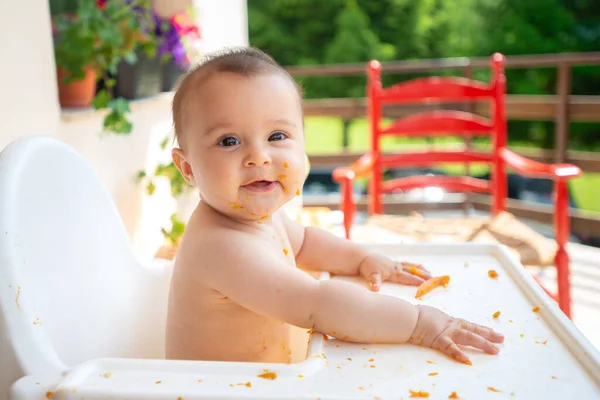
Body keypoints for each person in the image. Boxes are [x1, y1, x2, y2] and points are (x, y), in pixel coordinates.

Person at [165, 46, 504, 364]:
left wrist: (361, 258)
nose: (259, 156)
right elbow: (318, 306)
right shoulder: (220, 246)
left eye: (277, 136)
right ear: (188, 167)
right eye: (229, 141)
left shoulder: (258, 219)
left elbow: (306, 243)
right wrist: (419, 323)